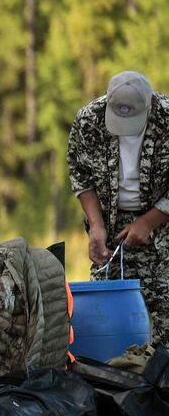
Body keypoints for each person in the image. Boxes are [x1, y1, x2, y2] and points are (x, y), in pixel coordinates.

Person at [68, 70, 169, 347]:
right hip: (111, 228)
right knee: (107, 314)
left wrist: (148, 223)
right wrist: (96, 225)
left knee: (162, 320)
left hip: (163, 229)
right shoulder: (89, 119)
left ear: (151, 104)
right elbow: (80, 173)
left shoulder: (167, 118)